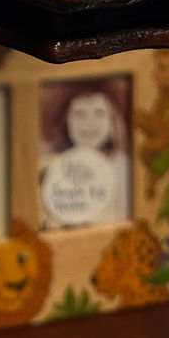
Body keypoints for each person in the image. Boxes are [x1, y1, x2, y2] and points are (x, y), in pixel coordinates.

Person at [39, 80, 131, 228]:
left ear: (113, 120)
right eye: (80, 114)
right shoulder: (52, 165)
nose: (90, 123)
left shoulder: (122, 167)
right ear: (66, 120)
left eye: (99, 113)